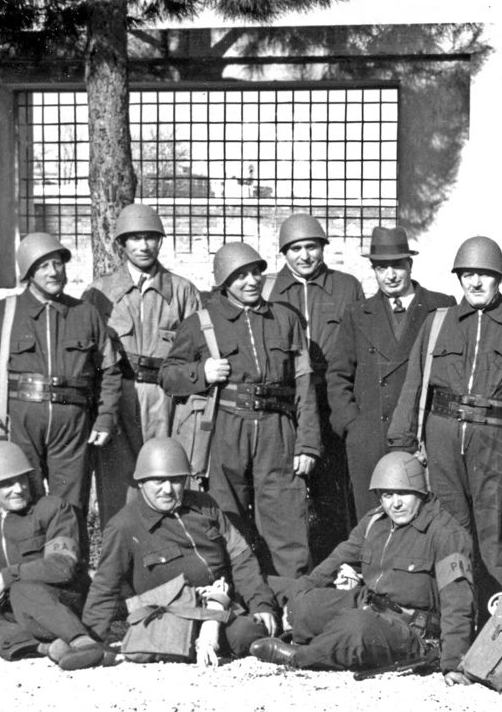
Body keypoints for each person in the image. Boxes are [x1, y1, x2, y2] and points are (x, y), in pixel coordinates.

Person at [387, 235, 502, 607]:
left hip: (497, 443)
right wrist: (403, 444)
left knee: (493, 534)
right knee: (449, 531)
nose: (475, 282)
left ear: (499, 277)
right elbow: (414, 382)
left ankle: (493, 624)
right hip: (442, 438)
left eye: (484, 274)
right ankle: (453, 620)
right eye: (467, 274)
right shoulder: (437, 323)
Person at [160, 242, 320, 578]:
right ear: (223, 282)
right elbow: (168, 375)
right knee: (225, 516)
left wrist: (307, 442)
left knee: (285, 517)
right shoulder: (201, 322)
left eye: (255, 273)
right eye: (240, 276)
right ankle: (238, 595)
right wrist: (200, 373)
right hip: (225, 429)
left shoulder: (285, 319)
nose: (251, 281)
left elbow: (304, 383)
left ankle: (292, 603)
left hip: (278, 429)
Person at [248, 452, 474, 679]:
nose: (395, 503)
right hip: (371, 605)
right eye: (387, 495)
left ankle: (300, 657)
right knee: (305, 607)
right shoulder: (376, 522)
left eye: (403, 494)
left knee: (355, 626)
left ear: (420, 492)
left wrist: (453, 663)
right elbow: (335, 561)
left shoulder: (446, 534)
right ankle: (326, 641)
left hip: (414, 631)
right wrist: (294, 598)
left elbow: (458, 600)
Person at [0, 232, 122, 541]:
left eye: (58, 263)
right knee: (23, 501)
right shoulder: (4, 312)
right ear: (29, 273)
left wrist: (105, 417)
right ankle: (28, 580)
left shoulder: (85, 314)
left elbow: (110, 371)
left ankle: (71, 581)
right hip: (19, 423)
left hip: (72, 427)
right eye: (44, 266)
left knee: (70, 506)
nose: (54, 272)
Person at [83, 437, 275, 661]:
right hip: (181, 615)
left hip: (229, 594)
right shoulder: (124, 526)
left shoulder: (205, 505)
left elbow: (240, 556)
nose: (168, 490)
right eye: (158, 481)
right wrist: (91, 640)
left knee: (287, 596)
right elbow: (105, 587)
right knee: (247, 634)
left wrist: (261, 603)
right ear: (141, 482)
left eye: (175, 480)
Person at [82, 203, 202, 528]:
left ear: (160, 242)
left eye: (150, 237)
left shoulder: (182, 291)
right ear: (121, 244)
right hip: (119, 395)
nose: (143, 246)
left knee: (167, 474)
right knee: (118, 481)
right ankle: (118, 557)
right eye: (134, 238)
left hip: (167, 398)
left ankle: (167, 554)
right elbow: (87, 354)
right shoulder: (99, 293)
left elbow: (199, 351)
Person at [326, 226, 455, 519]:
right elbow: (338, 375)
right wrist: (352, 426)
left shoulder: (441, 307)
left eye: (397, 265)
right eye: (381, 268)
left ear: (410, 265)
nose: (391, 275)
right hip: (370, 435)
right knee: (372, 517)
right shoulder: (358, 313)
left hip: (422, 436)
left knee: (424, 514)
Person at [0, 441, 109, 671]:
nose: (18, 488)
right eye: (6, 483)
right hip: (18, 609)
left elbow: (62, 566)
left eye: (22, 479)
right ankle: (49, 648)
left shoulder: (54, 509)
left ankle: (83, 643)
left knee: (22, 588)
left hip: (61, 601)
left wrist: (10, 576)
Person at [267, 213, 365, 559]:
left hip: (332, 397)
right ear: (284, 253)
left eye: (311, 247)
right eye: (295, 249)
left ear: (323, 248)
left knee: (335, 487)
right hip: (287, 401)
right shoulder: (267, 289)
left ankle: (337, 561)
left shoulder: (347, 286)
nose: (304, 256)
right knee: (288, 486)